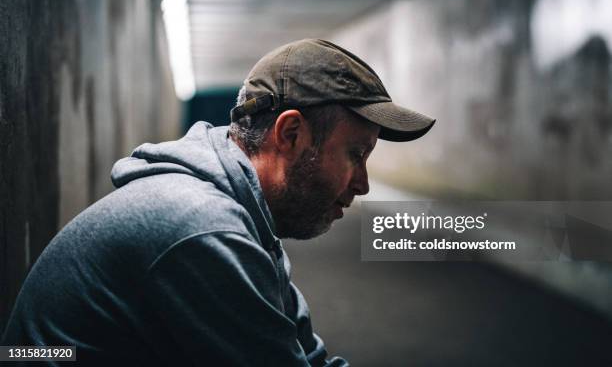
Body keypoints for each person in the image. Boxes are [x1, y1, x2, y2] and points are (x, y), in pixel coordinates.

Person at [2, 38, 434, 365]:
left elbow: (308, 355)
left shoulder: (243, 212)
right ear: (290, 135)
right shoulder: (202, 228)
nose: (362, 185)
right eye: (355, 155)